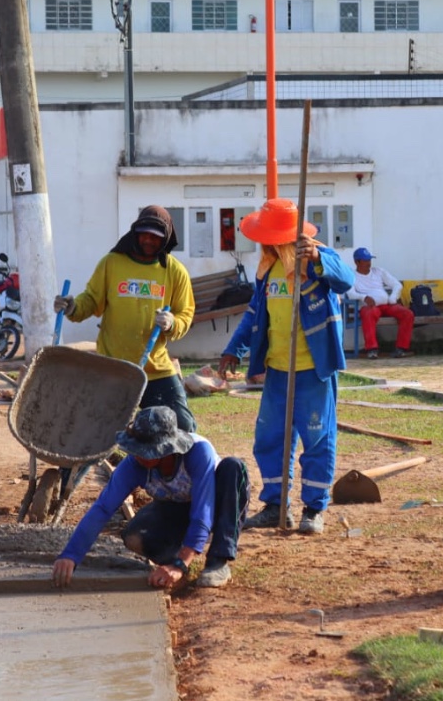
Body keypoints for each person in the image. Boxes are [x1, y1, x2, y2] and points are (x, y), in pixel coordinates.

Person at [216, 199, 354, 534]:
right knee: (270, 437)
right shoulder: (268, 268)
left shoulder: (318, 258)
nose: (262, 243)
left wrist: (319, 258)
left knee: (317, 438)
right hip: (278, 370)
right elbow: (254, 314)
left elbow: (345, 280)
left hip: (314, 370)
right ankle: (276, 505)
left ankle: (313, 510)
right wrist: (234, 349)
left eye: (266, 236)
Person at [51, 406, 250, 590]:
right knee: (135, 538)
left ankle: (218, 561)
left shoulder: (197, 452)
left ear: (168, 447)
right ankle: (173, 559)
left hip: (215, 505)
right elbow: (103, 508)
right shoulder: (133, 465)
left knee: (233, 467)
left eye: (148, 451)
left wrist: (180, 564)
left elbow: (202, 510)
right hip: (176, 507)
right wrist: (71, 555)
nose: (140, 456)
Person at [54, 205, 197, 432]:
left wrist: (172, 323)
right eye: (144, 235)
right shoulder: (111, 263)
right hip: (113, 368)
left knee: (183, 426)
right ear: (135, 233)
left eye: (156, 237)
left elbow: (185, 314)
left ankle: (174, 467)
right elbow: (91, 299)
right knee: (92, 431)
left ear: (166, 239)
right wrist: (73, 307)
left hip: (155, 370)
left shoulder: (175, 272)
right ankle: (73, 467)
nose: (149, 241)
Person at [347, 247, 415, 359]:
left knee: (407, 314)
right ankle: (372, 349)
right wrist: (364, 297)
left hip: (387, 305)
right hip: (369, 307)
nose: (368, 263)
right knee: (368, 314)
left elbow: (397, 285)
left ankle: (401, 348)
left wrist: (393, 297)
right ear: (357, 262)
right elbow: (351, 294)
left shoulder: (379, 271)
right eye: (365, 260)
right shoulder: (351, 276)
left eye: (369, 260)